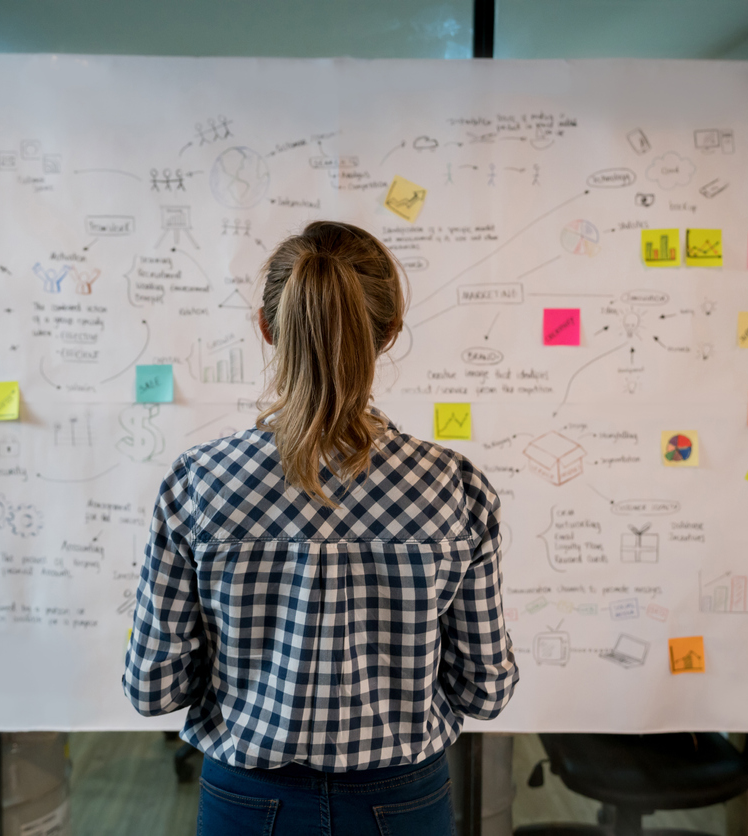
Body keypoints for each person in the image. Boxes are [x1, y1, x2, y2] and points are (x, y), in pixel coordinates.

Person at [124, 220, 517, 835]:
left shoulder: (197, 482)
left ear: (266, 327)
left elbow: (153, 687)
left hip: (249, 800)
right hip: (403, 802)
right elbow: (485, 691)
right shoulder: (453, 484)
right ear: (388, 334)